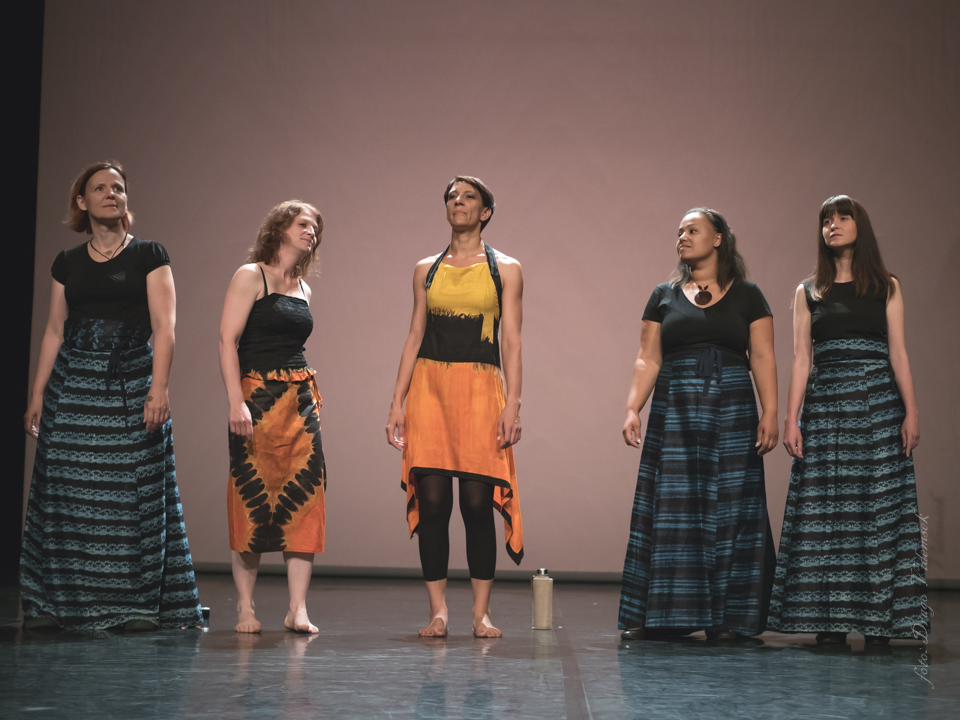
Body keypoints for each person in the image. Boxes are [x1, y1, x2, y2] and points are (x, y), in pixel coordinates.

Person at [21, 161, 202, 631]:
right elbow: (54, 330)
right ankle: (56, 602)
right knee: (65, 492)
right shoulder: (67, 261)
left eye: (118, 188)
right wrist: (37, 393)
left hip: (130, 384)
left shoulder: (148, 254)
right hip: (73, 389)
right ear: (82, 202)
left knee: (128, 497)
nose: (111, 194)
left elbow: (165, 327)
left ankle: (134, 604)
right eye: (100, 188)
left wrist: (158, 388)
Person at [767, 195, 928, 645]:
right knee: (826, 511)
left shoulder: (886, 286)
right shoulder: (808, 291)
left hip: (879, 408)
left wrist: (911, 412)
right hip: (826, 410)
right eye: (826, 220)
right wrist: (792, 419)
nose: (832, 226)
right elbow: (802, 359)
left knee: (878, 510)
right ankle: (831, 624)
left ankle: (878, 625)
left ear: (861, 226)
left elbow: (898, 353)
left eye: (842, 218)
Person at [618, 208, 779, 641]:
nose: (683, 237)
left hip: (732, 408)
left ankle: (728, 617)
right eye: (679, 232)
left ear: (719, 238)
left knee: (732, 505)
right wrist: (633, 408)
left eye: (693, 230)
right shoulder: (663, 295)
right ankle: (665, 615)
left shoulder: (748, 295)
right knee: (672, 506)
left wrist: (770, 411)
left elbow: (762, 355)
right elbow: (647, 358)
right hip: (676, 409)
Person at [386, 176, 524, 638]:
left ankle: (481, 614)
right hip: (430, 390)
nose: (457, 201)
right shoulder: (426, 268)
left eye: (468, 197)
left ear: (485, 212)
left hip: (481, 391)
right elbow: (414, 335)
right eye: (451, 196)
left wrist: (513, 403)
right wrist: (397, 402)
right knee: (432, 501)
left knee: (477, 502)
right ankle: (438, 611)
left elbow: (512, 339)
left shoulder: (506, 269)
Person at [220, 200, 326, 634]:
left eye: (316, 228)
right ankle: (245, 607)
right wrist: (236, 401)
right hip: (257, 398)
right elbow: (227, 340)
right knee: (252, 499)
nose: (311, 232)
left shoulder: (303, 289)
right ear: (280, 227)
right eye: (303, 224)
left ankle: (297, 608)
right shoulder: (251, 275)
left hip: (300, 402)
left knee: (305, 499)